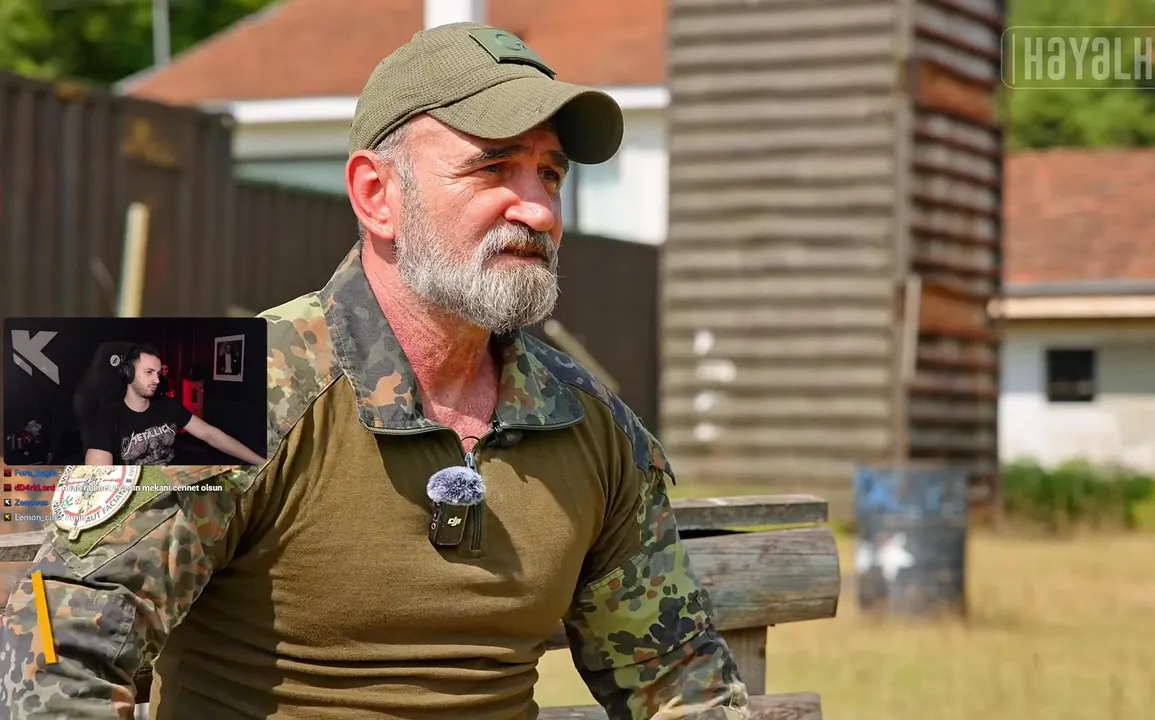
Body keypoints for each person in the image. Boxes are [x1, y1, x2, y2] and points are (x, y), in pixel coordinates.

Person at [1, 22, 748, 720]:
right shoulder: (229, 389)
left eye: (549, 174)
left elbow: (678, 683)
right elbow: (60, 665)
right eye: (493, 167)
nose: (540, 211)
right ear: (376, 195)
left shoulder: (591, 427)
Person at [83, 343, 268, 467]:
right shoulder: (107, 419)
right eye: (149, 372)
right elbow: (99, 479)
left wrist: (261, 462)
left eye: (158, 373)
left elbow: (211, 434)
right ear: (128, 374)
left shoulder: (168, 406)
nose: (157, 380)